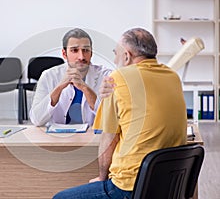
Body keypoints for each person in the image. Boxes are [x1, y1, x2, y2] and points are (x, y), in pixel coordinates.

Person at [52, 28, 187, 199]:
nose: (115, 59)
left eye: (116, 53)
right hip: (170, 182)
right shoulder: (172, 76)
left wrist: (102, 178)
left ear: (127, 56)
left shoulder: (117, 79)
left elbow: (109, 138)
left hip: (131, 185)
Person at [29, 28, 111, 127]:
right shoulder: (48, 76)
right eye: (74, 50)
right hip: (57, 138)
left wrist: (85, 88)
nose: (81, 56)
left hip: (92, 137)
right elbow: (36, 120)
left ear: (91, 53)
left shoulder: (106, 76)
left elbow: (110, 118)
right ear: (64, 54)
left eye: (86, 50)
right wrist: (59, 87)